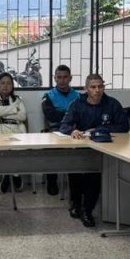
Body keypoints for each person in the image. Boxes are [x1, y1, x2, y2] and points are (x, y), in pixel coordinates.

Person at [59, 74, 130, 227]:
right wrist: (73, 130)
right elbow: (64, 126)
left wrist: (99, 129)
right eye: (93, 87)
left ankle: (87, 210)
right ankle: (75, 204)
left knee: (93, 173)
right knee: (74, 169)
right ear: (86, 89)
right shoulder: (77, 104)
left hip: (104, 149)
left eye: (100, 86)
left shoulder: (112, 104)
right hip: (81, 147)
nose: (97, 90)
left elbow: (124, 127)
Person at [0, 72, 28, 193]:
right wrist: (13, 110)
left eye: (8, 83)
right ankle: (14, 175)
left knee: (18, 147)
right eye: (2, 83)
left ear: (12, 86)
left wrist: (2, 112)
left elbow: (22, 116)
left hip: (15, 128)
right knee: (1, 147)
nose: (5, 86)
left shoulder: (18, 99)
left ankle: (9, 175)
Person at [41, 65, 79, 196]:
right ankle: (52, 181)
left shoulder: (78, 96)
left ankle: (75, 186)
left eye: (65, 77)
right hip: (55, 130)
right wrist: (70, 114)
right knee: (51, 151)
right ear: (55, 78)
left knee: (78, 153)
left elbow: (82, 115)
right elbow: (51, 116)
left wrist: (63, 113)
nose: (62, 80)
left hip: (74, 129)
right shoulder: (48, 96)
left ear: (70, 78)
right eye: (59, 77)